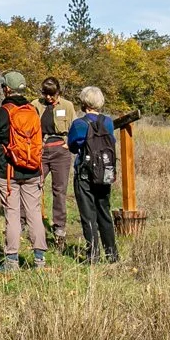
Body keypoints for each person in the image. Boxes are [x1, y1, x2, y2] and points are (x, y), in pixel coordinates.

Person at [0, 70, 47, 272]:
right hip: (33, 169)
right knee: (34, 213)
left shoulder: (2, 112)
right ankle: (40, 260)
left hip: (8, 172)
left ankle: (11, 261)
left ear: (7, 89)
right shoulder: (33, 110)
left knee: (12, 214)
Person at [67, 86, 120, 264]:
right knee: (104, 212)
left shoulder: (79, 124)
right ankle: (112, 254)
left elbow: (72, 146)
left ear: (84, 102)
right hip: (105, 173)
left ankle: (93, 256)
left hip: (85, 174)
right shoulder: (108, 122)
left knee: (88, 215)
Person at [36, 76, 76, 244]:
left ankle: (59, 227)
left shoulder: (67, 106)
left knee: (59, 190)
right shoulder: (35, 105)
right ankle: (29, 222)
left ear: (58, 92)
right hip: (40, 151)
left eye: (52, 94)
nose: (49, 98)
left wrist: (69, 144)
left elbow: (75, 127)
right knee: (34, 185)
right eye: (46, 94)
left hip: (60, 151)